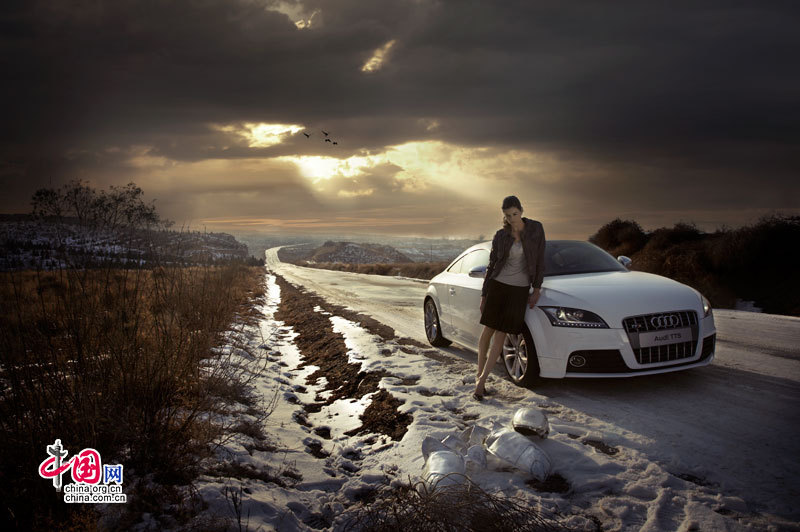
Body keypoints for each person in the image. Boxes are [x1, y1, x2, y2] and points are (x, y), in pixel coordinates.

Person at [474, 195, 545, 400]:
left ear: (521, 211)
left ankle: (481, 382)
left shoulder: (536, 229)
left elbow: (540, 260)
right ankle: (479, 376)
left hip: (519, 290)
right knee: (487, 331)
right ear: (504, 215)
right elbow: (492, 265)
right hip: (498, 286)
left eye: (515, 214)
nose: (512, 218)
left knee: (500, 335)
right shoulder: (501, 235)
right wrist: (484, 294)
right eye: (507, 215)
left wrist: (537, 289)